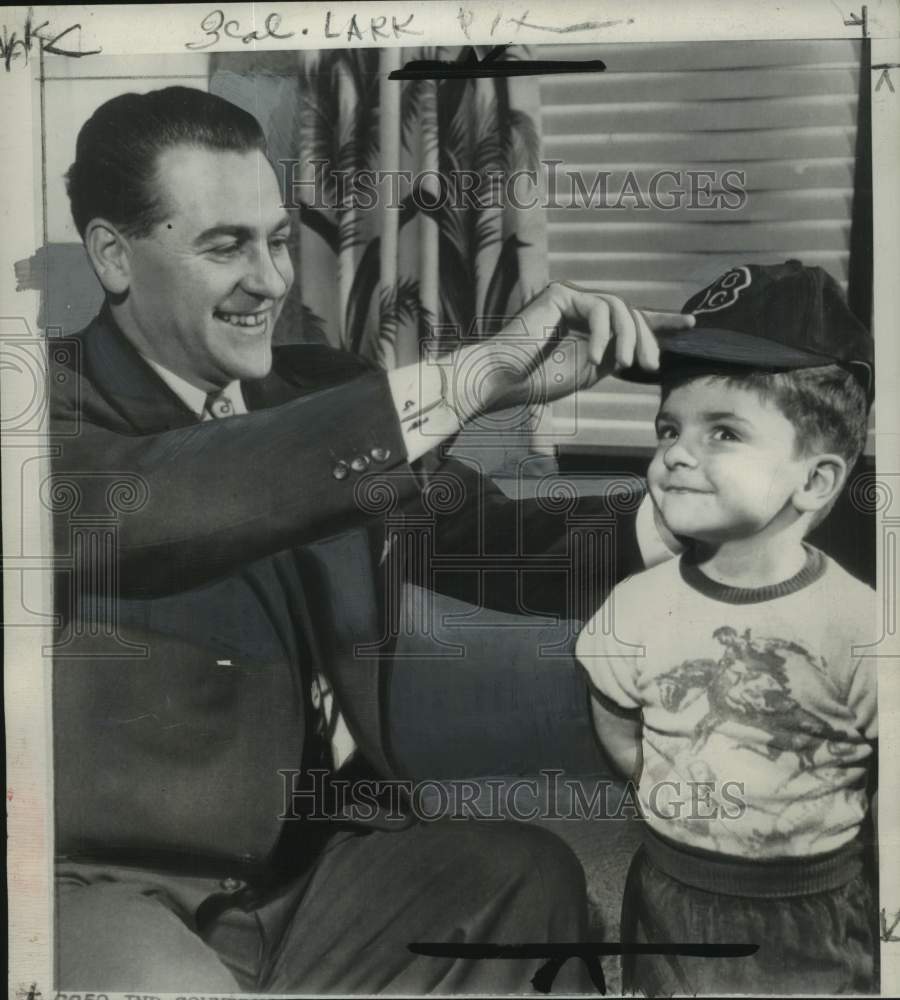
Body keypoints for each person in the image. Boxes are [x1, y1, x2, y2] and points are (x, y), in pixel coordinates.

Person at [48, 85, 694, 993]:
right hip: (105, 888)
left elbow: (489, 538)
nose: (272, 281)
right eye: (225, 246)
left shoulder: (324, 393)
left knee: (524, 880)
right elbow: (177, 493)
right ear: (114, 255)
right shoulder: (38, 412)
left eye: (277, 239)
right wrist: (470, 377)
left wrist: (687, 508)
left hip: (310, 871)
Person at [576, 260, 878, 995]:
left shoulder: (863, 626)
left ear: (815, 480)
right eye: (669, 428)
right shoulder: (634, 608)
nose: (677, 451)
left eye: (723, 433)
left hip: (811, 905)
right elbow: (622, 728)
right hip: (673, 889)